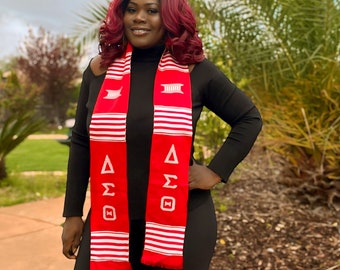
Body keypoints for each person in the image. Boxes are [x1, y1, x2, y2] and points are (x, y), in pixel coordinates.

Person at [61, 0, 262, 269]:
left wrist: (215, 172)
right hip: (110, 218)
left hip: (181, 219)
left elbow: (248, 118)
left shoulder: (194, 70)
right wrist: (73, 213)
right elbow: (81, 142)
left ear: (169, 17)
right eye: (131, 10)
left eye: (151, 11)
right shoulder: (100, 70)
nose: (139, 18)